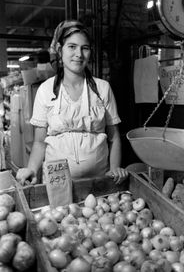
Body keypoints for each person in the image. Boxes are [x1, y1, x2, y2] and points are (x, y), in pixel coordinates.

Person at [16, 20, 128, 186]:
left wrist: (114, 168)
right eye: (72, 47)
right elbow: (39, 142)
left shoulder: (102, 88)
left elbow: (114, 137)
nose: (79, 54)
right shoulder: (46, 91)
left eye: (85, 48)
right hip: (58, 185)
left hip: (99, 183)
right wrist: (32, 169)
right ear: (60, 51)